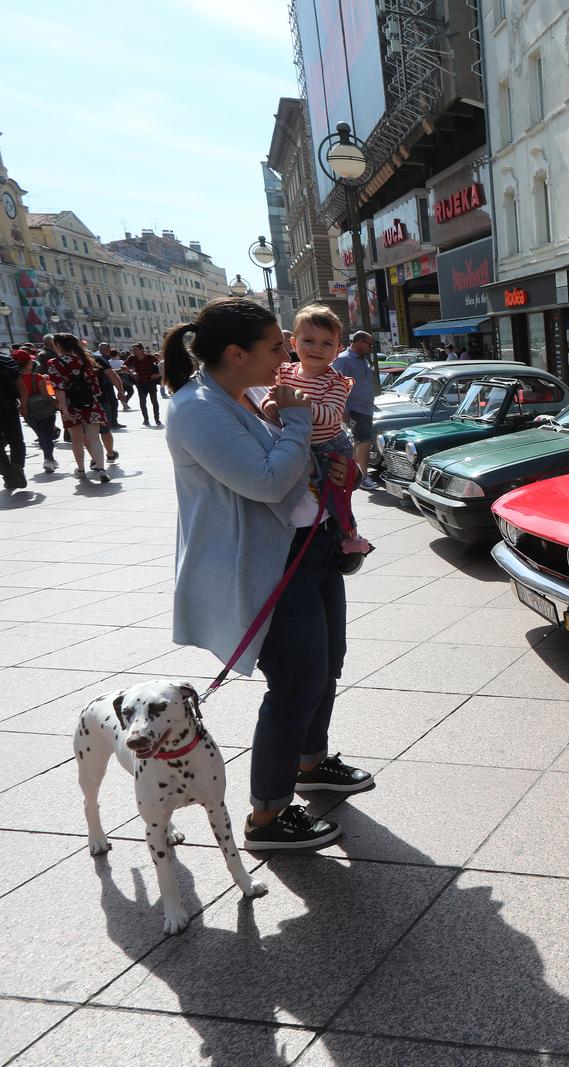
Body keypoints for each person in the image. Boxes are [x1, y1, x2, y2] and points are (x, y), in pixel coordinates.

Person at [163, 297, 373, 852]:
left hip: (312, 547)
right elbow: (265, 481)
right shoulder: (198, 409)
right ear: (237, 353)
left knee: (327, 664)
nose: (288, 356)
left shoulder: (252, 394)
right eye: (278, 346)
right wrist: (300, 421)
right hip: (269, 564)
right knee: (297, 682)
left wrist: (334, 467)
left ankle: (310, 762)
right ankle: (268, 816)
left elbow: (299, 460)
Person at [265, 305, 375, 567]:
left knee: (334, 497)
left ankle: (349, 534)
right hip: (301, 445)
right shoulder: (285, 372)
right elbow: (271, 397)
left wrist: (299, 405)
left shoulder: (335, 381)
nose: (317, 348)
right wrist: (269, 405)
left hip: (328, 446)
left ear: (338, 349)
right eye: (308, 341)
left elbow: (332, 415)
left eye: (327, 343)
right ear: (294, 343)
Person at [44, 334, 113, 482]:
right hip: (90, 403)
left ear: (58, 346)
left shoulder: (55, 363)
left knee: (77, 439)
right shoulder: (86, 360)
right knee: (94, 438)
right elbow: (95, 386)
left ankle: (81, 469)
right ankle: (101, 469)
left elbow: (59, 388)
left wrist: (64, 408)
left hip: (70, 404)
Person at [330, 330, 379, 490]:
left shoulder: (363, 359)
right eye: (369, 345)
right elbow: (337, 387)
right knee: (365, 441)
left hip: (366, 409)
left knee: (358, 442)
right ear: (360, 342)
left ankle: (355, 474)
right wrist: (344, 410)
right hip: (355, 409)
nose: (371, 348)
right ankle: (364, 477)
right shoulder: (343, 360)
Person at [16, 349, 61, 474]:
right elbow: (46, 394)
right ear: (28, 363)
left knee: (41, 435)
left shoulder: (15, 380)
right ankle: (48, 459)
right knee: (47, 435)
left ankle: (50, 459)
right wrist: (56, 404)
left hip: (28, 411)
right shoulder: (37, 377)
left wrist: (23, 408)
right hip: (44, 409)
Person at [0, 345, 23, 489]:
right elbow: (19, 383)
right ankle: (17, 465)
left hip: (8, 405)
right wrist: (24, 404)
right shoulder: (5, 359)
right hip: (8, 406)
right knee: (16, 440)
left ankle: (8, 476)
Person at [125, 342, 163, 426]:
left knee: (154, 401)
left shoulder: (150, 357)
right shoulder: (132, 358)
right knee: (142, 401)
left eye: (135, 349)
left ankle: (157, 419)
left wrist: (158, 375)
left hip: (151, 382)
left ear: (141, 350)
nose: (133, 351)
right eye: (133, 349)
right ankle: (146, 419)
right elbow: (124, 367)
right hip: (140, 383)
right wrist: (132, 372)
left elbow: (161, 366)